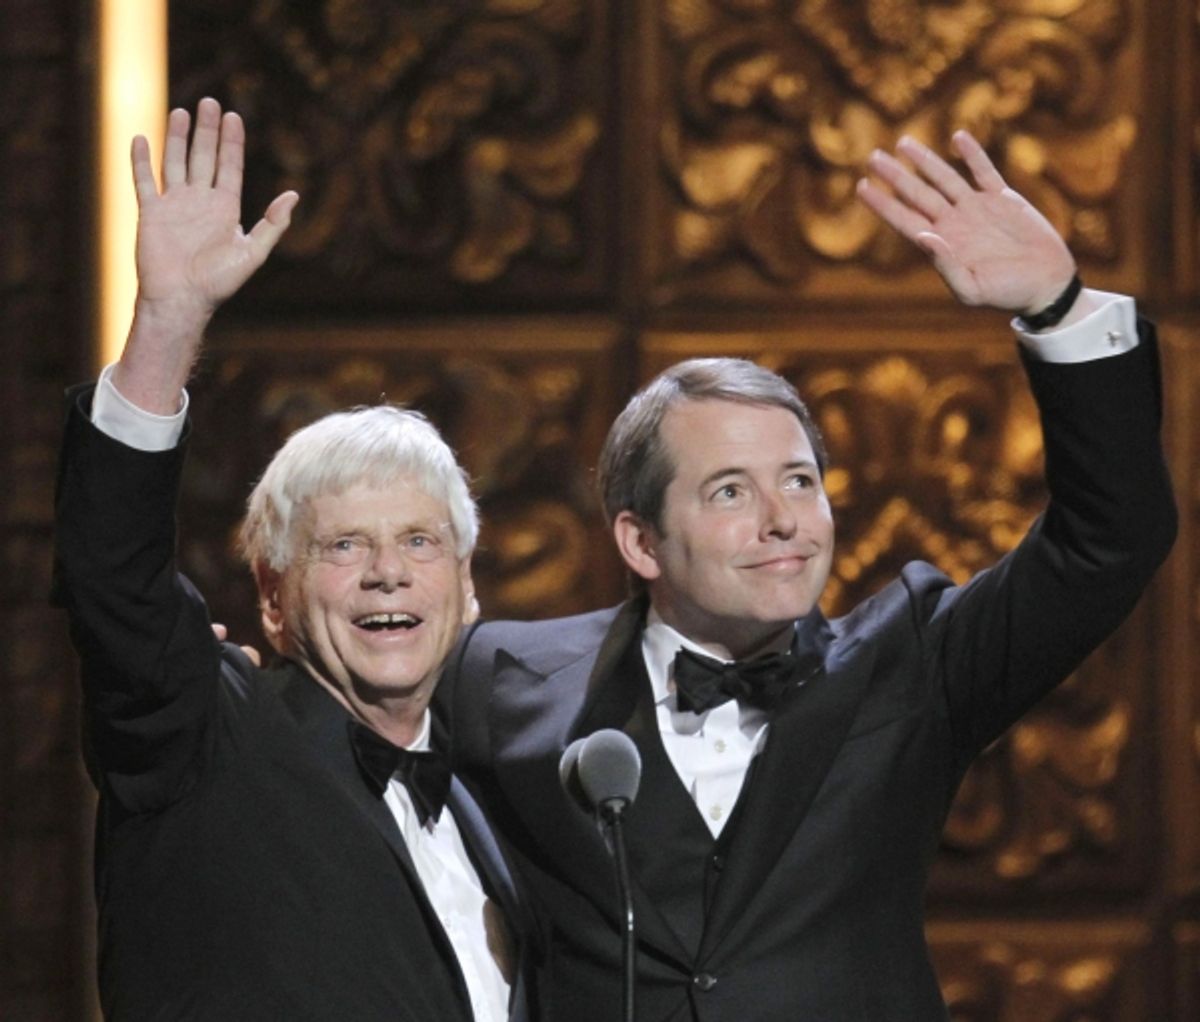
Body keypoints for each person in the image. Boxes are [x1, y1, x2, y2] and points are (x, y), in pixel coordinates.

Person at [438, 132, 1178, 1019]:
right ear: (640, 541)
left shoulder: (914, 664)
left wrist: (1059, 309)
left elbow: (1110, 538)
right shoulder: (500, 679)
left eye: (798, 481)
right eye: (730, 491)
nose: (783, 518)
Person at [52, 99, 534, 1021]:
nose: (388, 572)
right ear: (272, 598)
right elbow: (113, 578)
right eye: (344, 545)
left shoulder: (493, 808)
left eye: (420, 542)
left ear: (467, 587)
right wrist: (167, 324)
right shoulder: (208, 734)